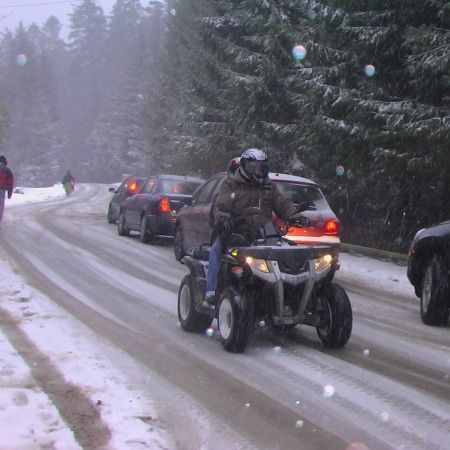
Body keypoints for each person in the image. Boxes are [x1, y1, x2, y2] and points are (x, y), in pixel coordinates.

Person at [204, 148, 300, 306]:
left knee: (289, 253)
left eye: (262, 168)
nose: (258, 171)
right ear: (243, 166)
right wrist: (224, 219)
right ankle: (212, 290)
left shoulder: (268, 186)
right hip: (236, 231)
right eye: (253, 167)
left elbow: (283, 203)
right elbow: (220, 206)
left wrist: (295, 216)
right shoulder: (230, 184)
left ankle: (290, 292)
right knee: (216, 249)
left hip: (264, 234)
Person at [0, 155, 14, 226]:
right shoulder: (7, 170)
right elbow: (10, 182)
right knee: (0, 207)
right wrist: (9, 193)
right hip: (1, 190)